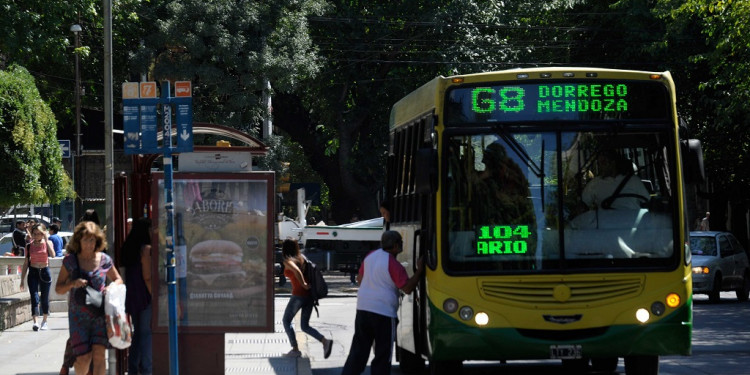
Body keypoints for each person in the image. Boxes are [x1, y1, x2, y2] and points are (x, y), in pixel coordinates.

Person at [341, 230, 424, 375]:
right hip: (384, 312)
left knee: (358, 351)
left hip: (363, 309)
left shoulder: (370, 256)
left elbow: (360, 280)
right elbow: (408, 288)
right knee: (382, 354)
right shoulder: (394, 264)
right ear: (396, 246)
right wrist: (419, 271)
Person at [55, 221, 123, 375]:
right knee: (84, 357)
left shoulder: (104, 259)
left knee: (99, 354)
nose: (89, 244)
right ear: (79, 241)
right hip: (78, 316)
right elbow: (58, 288)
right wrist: (73, 283)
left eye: (92, 240)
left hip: (99, 313)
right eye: (86, 240)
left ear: (97, 240)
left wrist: (111, 286)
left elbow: (118, 279)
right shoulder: (70, 261)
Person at [281, 239, 333, 359]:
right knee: (304, 326)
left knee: (286, 321)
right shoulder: (301, 258)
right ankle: (325, 342)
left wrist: (303, 283)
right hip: (309, 295)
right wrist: (305, 285)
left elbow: (297, 271)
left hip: (298, 295)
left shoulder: (288, 261)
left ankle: (295, 349)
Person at [122, 218, 153, 375]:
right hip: (145, 295)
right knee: (146, 333)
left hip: (133, 294)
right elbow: (147, 276)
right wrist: (154, 295)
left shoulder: (130, 248)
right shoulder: (146, 249)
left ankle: (133, 367)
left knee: (138, 332)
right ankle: (147, 368)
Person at [581, 150, 650, 210]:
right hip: (605, 224)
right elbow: (583, 205)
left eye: (603, 162)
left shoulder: (634, 181)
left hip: (632, 224)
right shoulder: (594, 183)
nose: (600, 167)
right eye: (599, 164)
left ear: (613, 163)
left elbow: (648, 203)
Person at [20, 223, 56, 331]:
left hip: (45, 271)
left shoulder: (48, 243)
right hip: (33, 272)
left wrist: (46, 238)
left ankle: (44, 321)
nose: (36, 236)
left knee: (44, 298)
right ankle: (35, 322)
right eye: (34, 234)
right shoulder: (29, 246)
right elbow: (26, 263)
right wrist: (22, 280)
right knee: (34, 297)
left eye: (39, 234)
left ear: (43, 233)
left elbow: (53, 255)